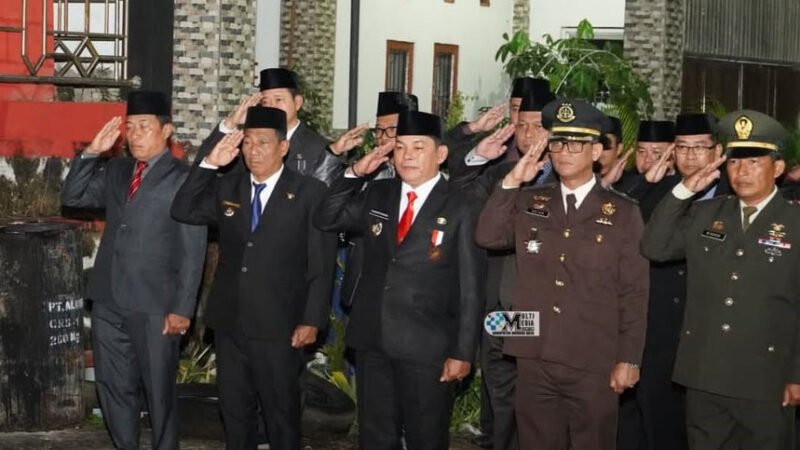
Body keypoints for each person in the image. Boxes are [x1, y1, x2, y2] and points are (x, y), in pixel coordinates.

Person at [475, 99, 649, 450]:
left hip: (592, 359)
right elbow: (488, 236)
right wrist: (511, 181)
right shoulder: (531, 201)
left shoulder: (623, 213)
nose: (563, 152)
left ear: (597, 150)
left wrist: (628, 358)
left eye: (576, 144)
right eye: (557, 142)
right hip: (535, 354)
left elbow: (634, 291)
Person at [314, 110, 486, 450]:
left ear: (440, 154)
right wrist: (353, 174)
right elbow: (327, 218)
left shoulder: (463, 205)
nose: (407, 156)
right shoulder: (380, 194)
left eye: (418, 148)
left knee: (425, 437)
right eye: (401, 147)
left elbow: (471, 288)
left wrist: (463, 352)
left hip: (428, 346)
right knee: (376, 436)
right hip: (373, 339)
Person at [170, 106, 338, 450]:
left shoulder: (308, 193)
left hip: (281, 325)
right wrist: (208, 164)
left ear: (283, 148)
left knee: (281, 415)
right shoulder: (227, 186)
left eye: (263, 142)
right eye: (247, 142)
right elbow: (183, 209)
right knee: (234, 412)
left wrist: (312, 319)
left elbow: (322, 263)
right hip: (231, 322)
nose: (254, 150)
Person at [641, 109, 800, 450]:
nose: (742, 171)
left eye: (754, 162)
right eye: (734, 162)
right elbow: (654, 247)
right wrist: (682, 192)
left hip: (766, 377)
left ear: (778, 168)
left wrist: (797, 375)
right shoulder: (706, 213)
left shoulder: (795, 222)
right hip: (704, 373)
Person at [61, 91, 207, 450]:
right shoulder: (117, 169)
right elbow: (74, 197)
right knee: (113, 387)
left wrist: (182, 308)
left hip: (156, 304)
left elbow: (193, 248)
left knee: (159, 393)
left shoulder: (184, 178)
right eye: (130, 127)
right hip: (109, 299)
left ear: (166, 130)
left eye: (144, 126)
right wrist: (92, 152)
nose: (135, 134)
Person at [617, 113, 722, 450]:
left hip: (707, 327)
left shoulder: (734, 194)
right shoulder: (660, 188)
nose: (690, 156)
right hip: (658, 322)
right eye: (682, 147)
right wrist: (646, 183)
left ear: (717, 151)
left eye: (699, 148)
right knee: (653, 415)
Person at [194, 67, 352, 182]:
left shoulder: (320, 147)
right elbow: (203, 167)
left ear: (297, 103)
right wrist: (231, 123)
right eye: (265, 102)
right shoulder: (247, 144)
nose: (272, 107)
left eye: (279, 100)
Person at [615, 120, 676, 195]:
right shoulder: (623, 182)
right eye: (641, 151)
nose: (647, 159)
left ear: (672, 154)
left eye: (656, 152)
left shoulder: (683, 186)